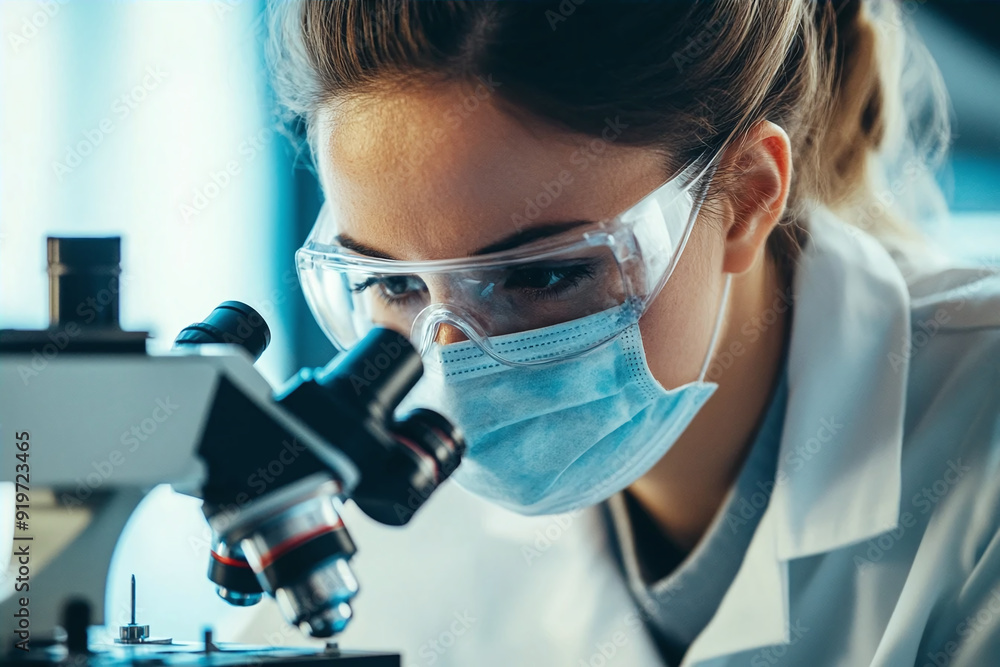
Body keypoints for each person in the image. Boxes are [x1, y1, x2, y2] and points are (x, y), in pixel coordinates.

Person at [267, 1, 1000, 664]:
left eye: (543, 277)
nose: (452, 368)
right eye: (393, 284)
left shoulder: (981, 444)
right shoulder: (392, 542)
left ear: (745, 195)